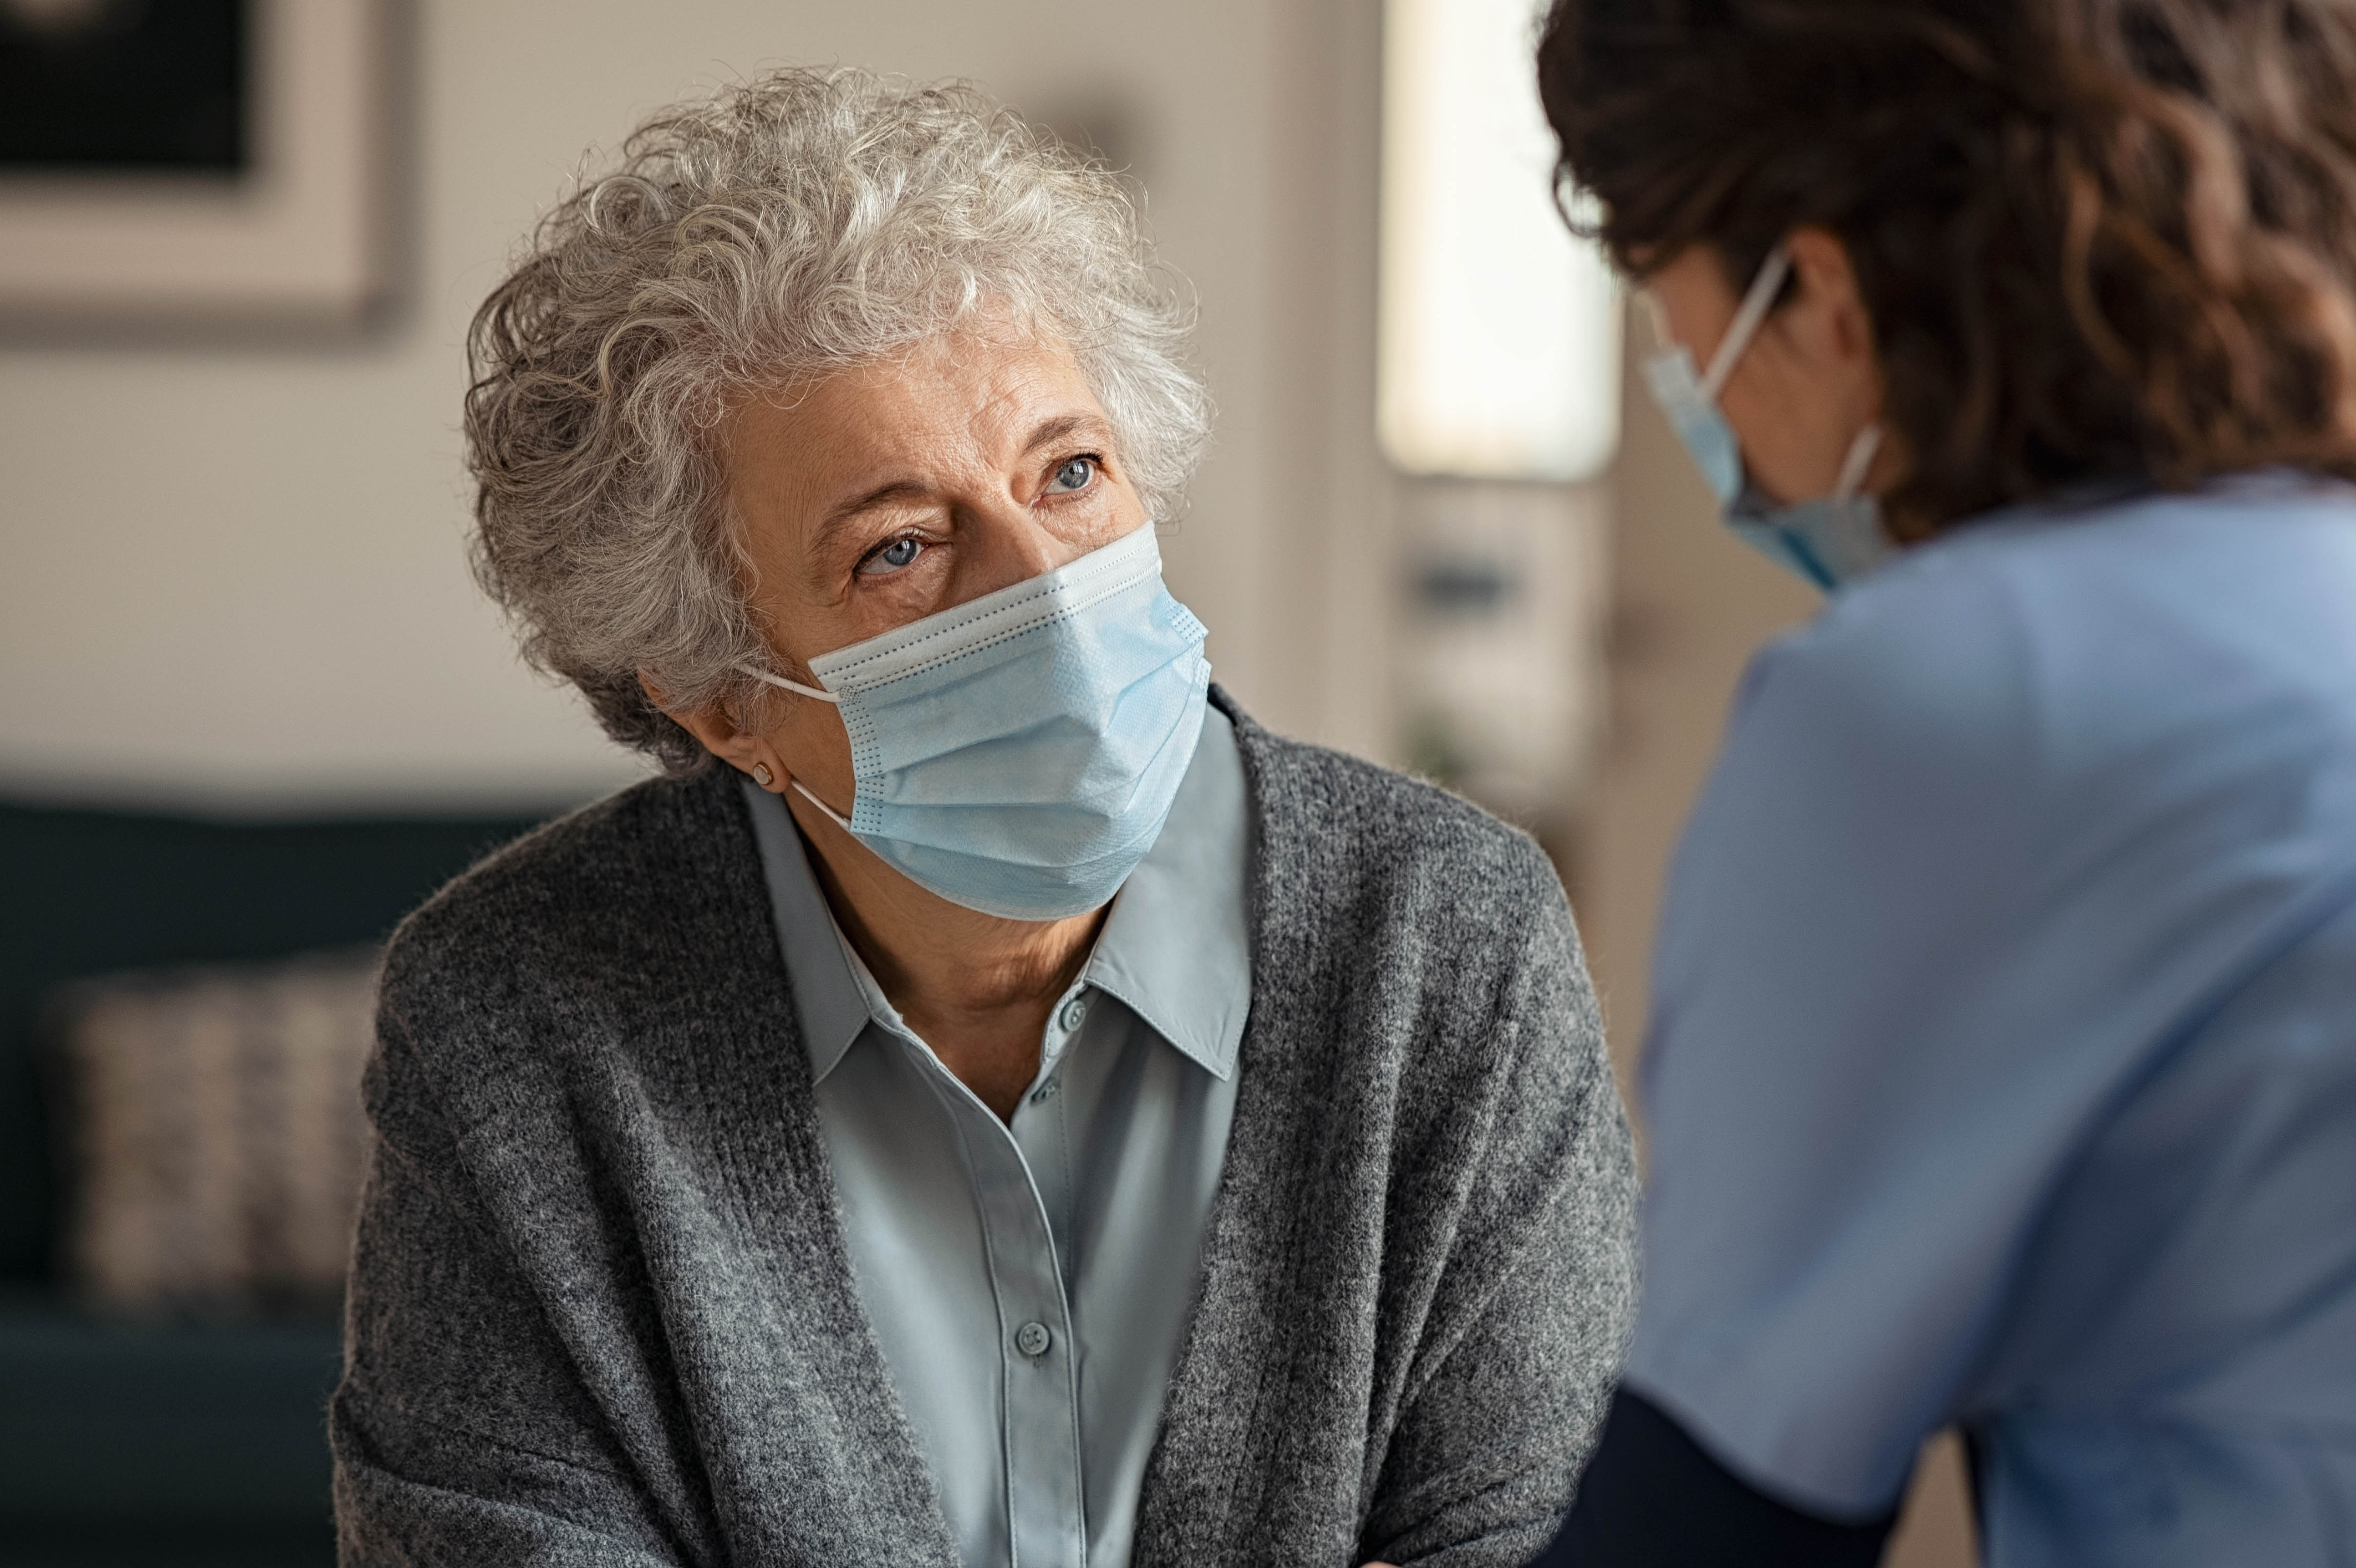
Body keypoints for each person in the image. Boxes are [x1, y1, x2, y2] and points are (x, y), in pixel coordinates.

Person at [326, 69, 1635, 1568]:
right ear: (717, 701)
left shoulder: (1454, 944)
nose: (1045, 590)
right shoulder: (514, 1023)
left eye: (1071, 472)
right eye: (902, 548)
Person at [1524, 1, 2356, 1564]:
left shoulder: (1962, 696)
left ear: (1818, 293)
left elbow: (1702, 1539)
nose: (1694, 390)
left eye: (1673, 317)